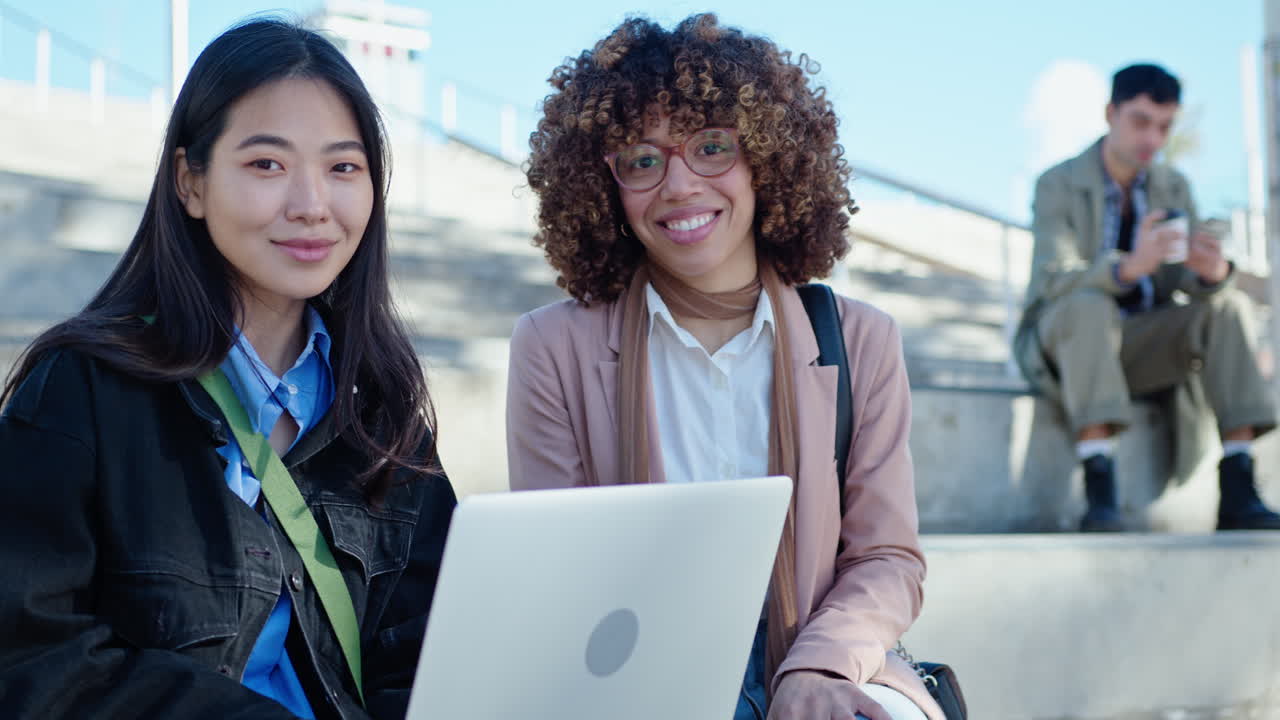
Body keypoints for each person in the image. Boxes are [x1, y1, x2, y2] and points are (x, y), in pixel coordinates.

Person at [0, 19, 456, 719]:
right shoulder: (80, 389)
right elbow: (31, 658)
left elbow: (432, 652)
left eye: (343, 167)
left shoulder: (383, 416)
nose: (311, 206)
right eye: (267, 165)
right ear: (190, 182)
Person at [507, 14, 943, 720]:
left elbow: (888, 560)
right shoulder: (552, 348)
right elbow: (561, 574)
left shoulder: (861, 339)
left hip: (822, 658)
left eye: (713, 147)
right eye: (642, 160)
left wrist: (819, 668)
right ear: (605, 187)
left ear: (767, 158)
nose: (679, 185)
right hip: (642, 683)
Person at [1015, 63, 1280, 532]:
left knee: (1229, 303)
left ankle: (1239, 482)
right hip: (1067, 347)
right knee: (1088, 305)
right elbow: (1052, 280)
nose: (1153, 139)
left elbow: (1184, 285)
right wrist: (1127, 266)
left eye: (1164, 126)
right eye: (1141, 121)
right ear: (1110, 113)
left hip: (1140, 348)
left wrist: (1212, 274)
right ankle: (1099, 482)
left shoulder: (1173, 186)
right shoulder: (1057, 183)